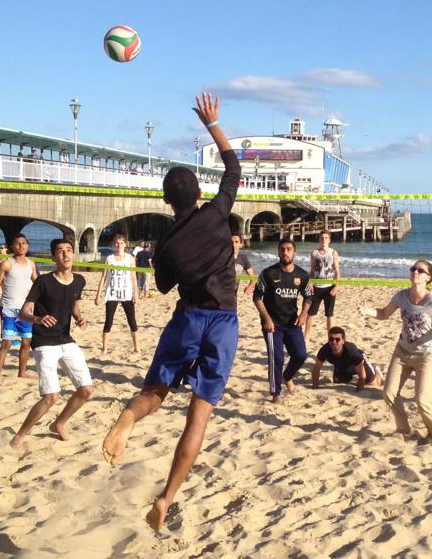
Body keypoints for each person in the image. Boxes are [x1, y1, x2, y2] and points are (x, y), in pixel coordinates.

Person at [101, 93, 242, 534]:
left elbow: (161, 286)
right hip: (221, 325)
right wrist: (212, 124)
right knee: (198, 418)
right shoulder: (218, 214)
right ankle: (166, 498)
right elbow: (234, 169)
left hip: (187, 320)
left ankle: (127, 418)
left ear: (167, 201)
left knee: (156, 392)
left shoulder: (167, 245)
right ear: (198, 193)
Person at [359, 260, 432, 440]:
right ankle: (404, 429)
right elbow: (384, 313)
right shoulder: (401, 296)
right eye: (413, 268)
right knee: (389, 393)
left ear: (428, 278)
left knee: (423, 400)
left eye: (420, 270)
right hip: (402, 352)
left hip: (426, 355)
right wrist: (367, 311)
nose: (415, 271)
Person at [10, 239, 92, 451]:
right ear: (54, 257)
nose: (65, 254)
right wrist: (38, 319)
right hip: (44, 342)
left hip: (66, 339)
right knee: (51, 397)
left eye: (68, 251)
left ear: (73, 255)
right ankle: (19, 436)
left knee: (86, 390)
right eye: (60, 251)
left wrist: (79, 318)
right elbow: (23, 312)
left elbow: (74, 306)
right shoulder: (43, 282)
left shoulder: (79, 281)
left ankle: (59, 423)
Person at [254, 238, 311, 402]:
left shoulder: (302, 275)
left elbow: (309, 296)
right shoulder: (268, 273)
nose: (285, 252)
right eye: (282, 250)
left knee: (300, 355)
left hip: (292, 323)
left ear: (294, 252)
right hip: (273, 324)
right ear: (278, 252)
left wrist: (303, 314)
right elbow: (257, 297)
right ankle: (276, 393)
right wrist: (266, 319)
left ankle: (288, 377)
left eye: (288, 249)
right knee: (277, 358)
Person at [0, 233, 39, 388]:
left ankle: (22, 372)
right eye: (17, 243)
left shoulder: (31, 264)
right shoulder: (7, 263)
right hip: (9, 308)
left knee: (26, 341)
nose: (21, 246)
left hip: (25, 309)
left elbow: (37, 284)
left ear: (28, 245)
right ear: (12, 247)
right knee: (7, 343)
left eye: (24, 243)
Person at [95, 234, 139, 354]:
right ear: (114, 244)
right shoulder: (109, 258)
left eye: (121, 243)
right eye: (116, 243)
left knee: (132, 321)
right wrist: (98, 295)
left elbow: (133, 277)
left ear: (125, 245)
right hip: (112, 293)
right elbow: (103, 277)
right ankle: (104, 348)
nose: (118, 245)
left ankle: (136, 347)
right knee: (108, 321)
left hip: (127, 293)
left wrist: (136, 293)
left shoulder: (130, 259)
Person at [311, 326, 382, 391]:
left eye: (337, 339)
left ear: (343, 341)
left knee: (372, 385)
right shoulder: (324, 350)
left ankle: (377, 372)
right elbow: (316, 369)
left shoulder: (352, 352)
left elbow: (361, 374)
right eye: (331, 339)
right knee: (338, 385)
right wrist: (315, 386)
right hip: (342, 366)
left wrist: (358, 390)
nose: (334, 342)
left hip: (360, 363)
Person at [303, 230, 341, 342]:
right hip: (316, 287)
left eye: (326, 238)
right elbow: (312, 270)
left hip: (329, 287)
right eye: (322, 238)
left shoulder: (333, 252)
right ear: (319, 239)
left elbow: (337, 271)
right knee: (311, 313)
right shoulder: (314, 253)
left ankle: (330, 338)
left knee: (329, 314)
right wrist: (309, 282)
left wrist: (336, 285)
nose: (323, 240)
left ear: (329, 240)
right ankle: (307, 337)